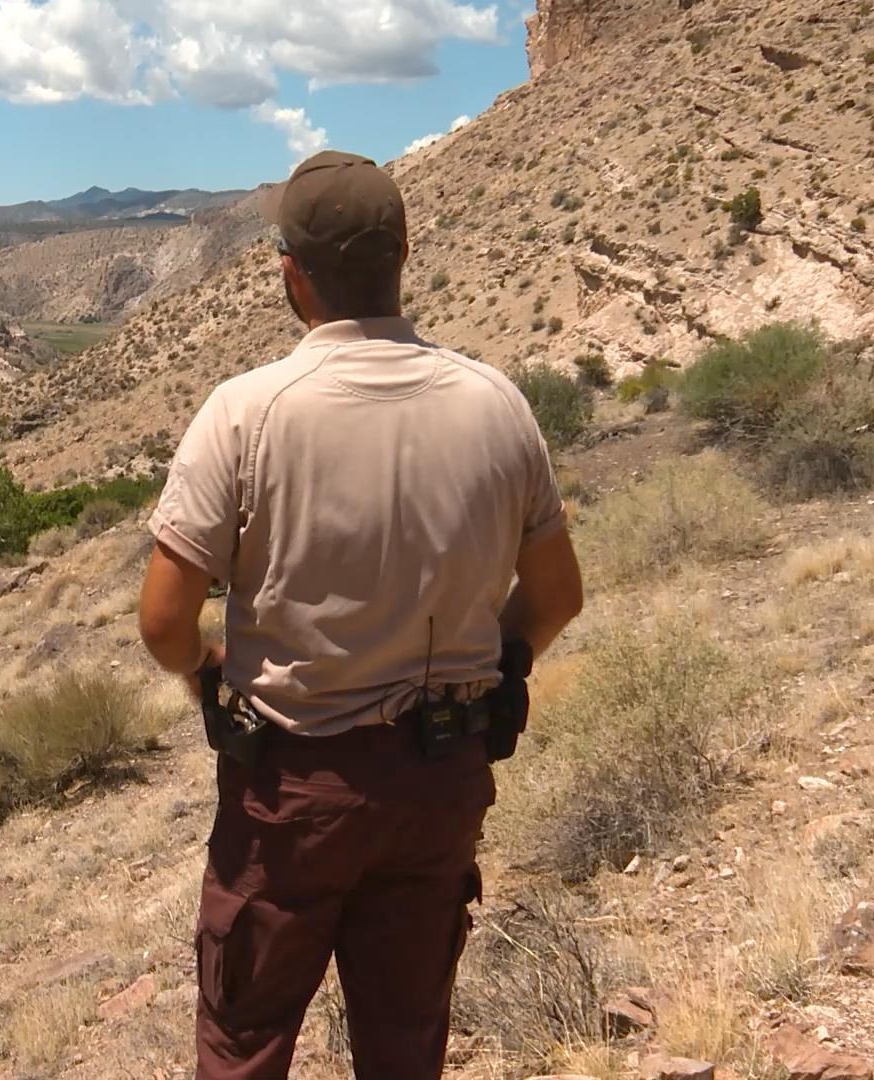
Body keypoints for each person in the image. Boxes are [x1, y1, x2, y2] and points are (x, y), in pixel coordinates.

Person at [136, 150, 585, 1080]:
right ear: (403, 258)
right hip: (440, 781)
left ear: (292, 275)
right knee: (405, 1043)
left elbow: (163, 622)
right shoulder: (497, 404)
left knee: (244, 1040)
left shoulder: (245, 413)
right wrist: (505, 666)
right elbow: (557, 594)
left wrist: (207, 673)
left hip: (293, 795)